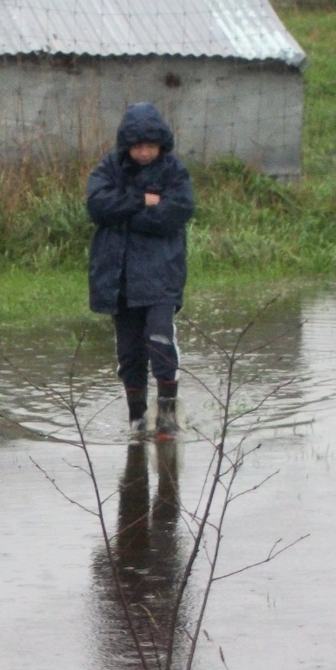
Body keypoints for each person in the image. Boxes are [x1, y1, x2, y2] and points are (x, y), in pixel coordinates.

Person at [86, 103, 195, 435]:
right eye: (137, 146)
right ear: (127, 146)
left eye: (150, 145)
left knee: (160, 342)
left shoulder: (174, 171)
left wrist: (124, 215)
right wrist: (141, 200)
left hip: (162, 277)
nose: (144, 152)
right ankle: (137, 420)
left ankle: (167, 417)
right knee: (129, 354)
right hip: (118, 280)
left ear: (161, 144)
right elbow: (96, 205)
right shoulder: (109, 168)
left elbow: (175, 213)